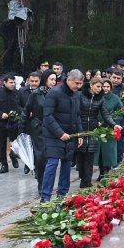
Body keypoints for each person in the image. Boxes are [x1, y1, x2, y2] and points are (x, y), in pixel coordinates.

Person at [40, 69, 84, 202]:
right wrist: (60, 133)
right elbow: (47, 116)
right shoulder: (54, 93)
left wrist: (79, 134)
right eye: (76, 83)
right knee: (52, 164)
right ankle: (45, 197)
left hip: (70, 135)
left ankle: (62, 195)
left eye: (81, 84)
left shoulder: (77, 95)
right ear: (69, 80)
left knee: (67, 164)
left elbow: (77, 116)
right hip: (53, 135)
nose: (78, 86)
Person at [76, 77, 121, 188]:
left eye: (101, 87)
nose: (100, 89)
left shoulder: (100, 99)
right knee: (80, 156)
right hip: (80, 129)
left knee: (90, 156)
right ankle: (82, 177)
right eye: (98, 86)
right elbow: (76, 112)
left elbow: (105, 114)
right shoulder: (80, 95)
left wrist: (114, 124)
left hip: (93, 130)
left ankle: (87, 181)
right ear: (91, 85)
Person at [19, 69, 57, 194]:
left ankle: (48, 183)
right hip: (38, 128)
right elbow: (26, 110)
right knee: (41, 157)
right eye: (51, 79)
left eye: (55, 79)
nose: (53, 82)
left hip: (53, 129)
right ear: (45, 79)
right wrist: (21, 129)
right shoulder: (35, 94)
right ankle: (41, 183)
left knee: (51, 158)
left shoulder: (56, 93)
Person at [0, 74, 20, 173]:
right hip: (1, 123)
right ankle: (4, 164)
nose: (13, 84)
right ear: (5, 82)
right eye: (10, 82)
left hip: (14, 122)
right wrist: (1, 114)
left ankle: (13, 155)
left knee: (15, 143)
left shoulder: (17, 93)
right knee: (1, 145)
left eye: (14, 82)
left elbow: (22, 106)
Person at [94, 79, 123, 180]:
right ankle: (102, 172)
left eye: (107, 87)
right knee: (100, 152)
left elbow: (121, 111)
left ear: (110, 88)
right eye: (103, 86)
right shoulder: (96, 97)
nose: (105, 89)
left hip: (110, 128)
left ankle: (107, 170)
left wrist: (113, 120)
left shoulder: (115, 98)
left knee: (108, 152)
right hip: (98, 128)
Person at [16, 71, 41, 174]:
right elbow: (17, 105)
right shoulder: (22, 91)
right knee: (27, 143)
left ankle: (36, 164)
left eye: (36, 81)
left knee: (36, 144)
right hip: (26, 121)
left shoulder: (42, 91)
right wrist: (25, 113)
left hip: (38, 121)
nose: (34, 83)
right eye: (32, 81)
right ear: (28, 80)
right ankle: (27, 163)